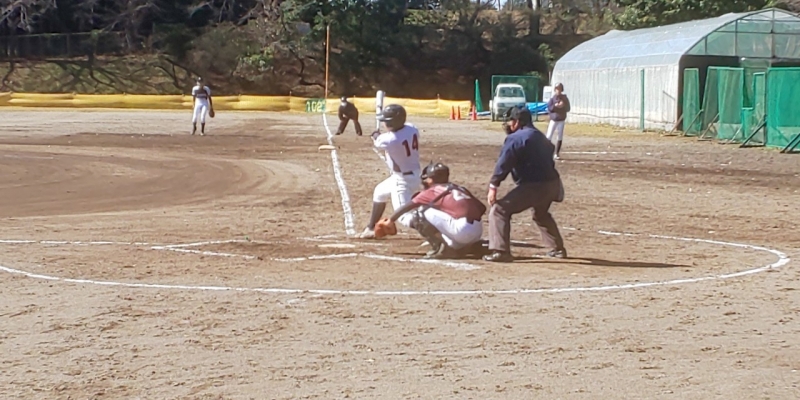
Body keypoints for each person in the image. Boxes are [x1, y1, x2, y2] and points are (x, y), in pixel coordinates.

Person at [484, 106, 567, 263]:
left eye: (510, 121)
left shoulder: (516, 138)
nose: (508, 124)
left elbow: (504, 163)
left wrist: (494, 185)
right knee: (541, 213)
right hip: (553, 184)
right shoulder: (540, 136)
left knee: (499, 210)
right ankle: (557, 248)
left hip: (535, 185)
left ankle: (500, 251)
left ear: (517, 122)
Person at [386, 162, 486, 259]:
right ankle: (468, 245)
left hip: (461, 231)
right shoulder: (460, 188)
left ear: (431, 179)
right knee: (453, 243)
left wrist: (390, 220)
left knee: (420, 212)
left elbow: (408, 206)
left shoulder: (433, 190)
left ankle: (440, 248)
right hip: (477, 232)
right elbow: (482, 208)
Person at [358, 104, 421, 239]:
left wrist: (375, 134)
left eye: (386, 121)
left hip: (402, 180)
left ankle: (437, 232)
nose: (384, 124)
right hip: (414, 174)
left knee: (403, 217)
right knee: (380, 192)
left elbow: (378, 140)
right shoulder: (412, 128)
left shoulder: (390, 139)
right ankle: (371, 228)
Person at [546, 83, 570, 160]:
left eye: (559, 89)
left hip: (561, 119)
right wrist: (556, 106)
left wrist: (563, 106)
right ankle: (546, 152)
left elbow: (568, 108)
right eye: (557, 89)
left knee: (559, 136)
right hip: (553, 120)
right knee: (549, 136)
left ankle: (556, 153)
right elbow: (549, 108)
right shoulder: (553, 99)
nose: (558, 91)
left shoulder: (564, 99)